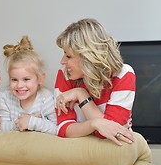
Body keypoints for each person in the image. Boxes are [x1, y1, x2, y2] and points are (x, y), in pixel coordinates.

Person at [54, 18, 135, 146]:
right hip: (77, 149)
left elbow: (112, 132)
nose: (62, 61)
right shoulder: (65, 75)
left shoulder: (123, 74)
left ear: (88, 56)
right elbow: (64, 129)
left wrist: (81, 95)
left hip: (113, 148)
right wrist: (95, 124)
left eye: (68, 56)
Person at [0, 36, 57, 134]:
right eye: (14, 80)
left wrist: (32, 122)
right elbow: (2, 128)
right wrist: (21, 122)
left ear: (40, 79)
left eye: (26, 79)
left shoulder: (46, 99)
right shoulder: (6, 97)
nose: (20, 85)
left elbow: (56, 129)